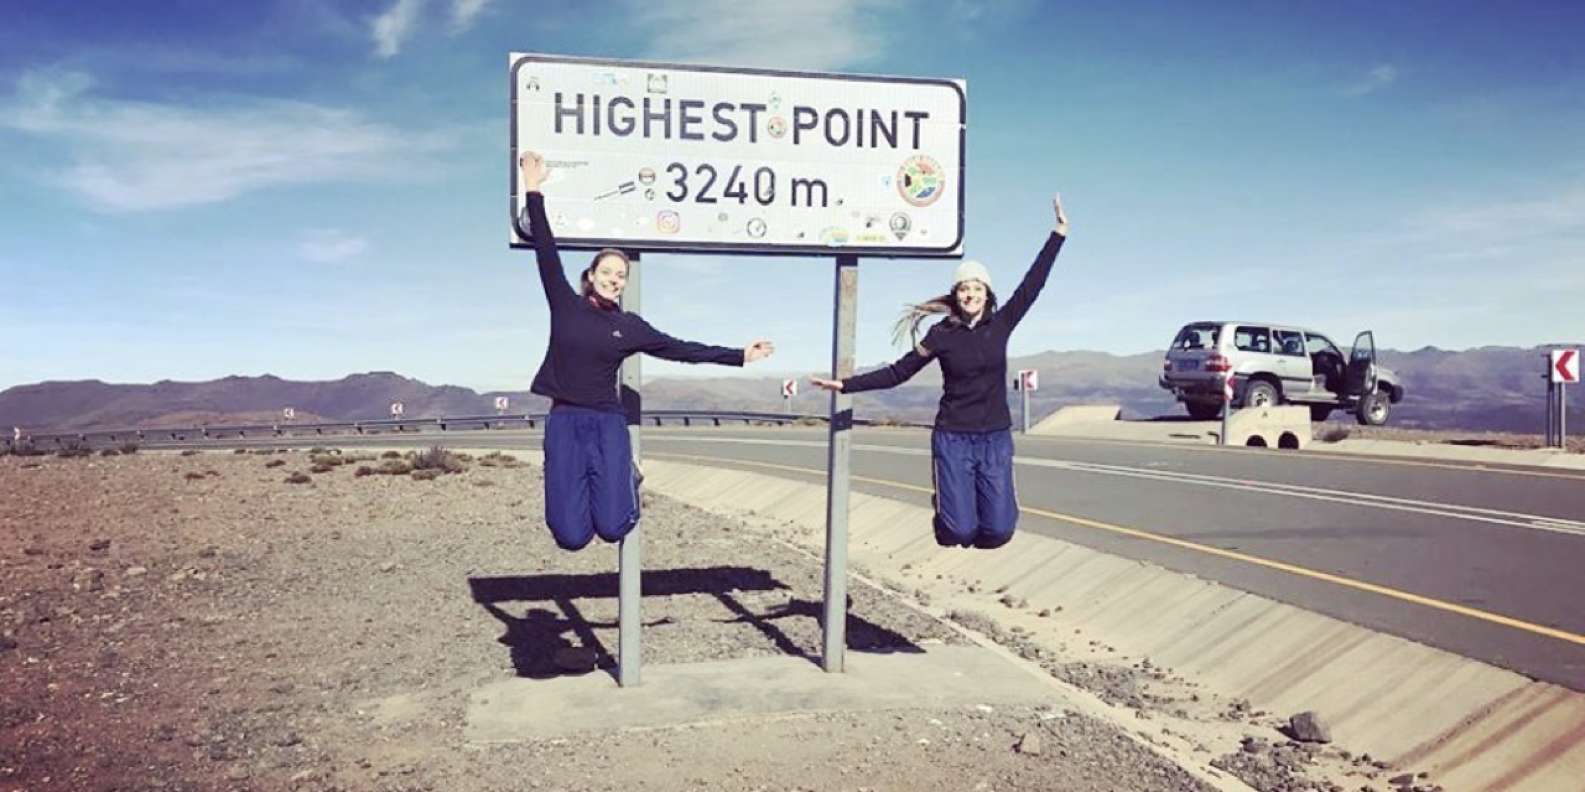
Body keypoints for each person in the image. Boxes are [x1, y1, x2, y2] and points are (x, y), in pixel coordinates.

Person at [518, 151, 775, 551]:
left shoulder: (630, 327)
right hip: (565, 422)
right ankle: (605, 488)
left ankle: (628, 477)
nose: (613, 280)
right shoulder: (565, 304)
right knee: (570, 536)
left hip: (607, 422)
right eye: (607, 272)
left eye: (621, 276)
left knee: (614, 527)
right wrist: (533, 187)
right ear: (591, 275)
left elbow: (680, 349)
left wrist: (739, 355)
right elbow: (546, 250)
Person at [811, 195, 1069, 549]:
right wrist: (845, 384)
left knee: (998, 532)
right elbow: (899, 372)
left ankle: (975, 516)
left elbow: (1032, 284)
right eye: (964, 288)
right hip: (953, 438)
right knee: (958, 532)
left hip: (995, 438)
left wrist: (1058, 235)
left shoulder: (1001, 324)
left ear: (987, 294)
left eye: (977, 288)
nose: (970, 294)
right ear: (956, 294)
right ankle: (945, 514)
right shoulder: (940, 335)